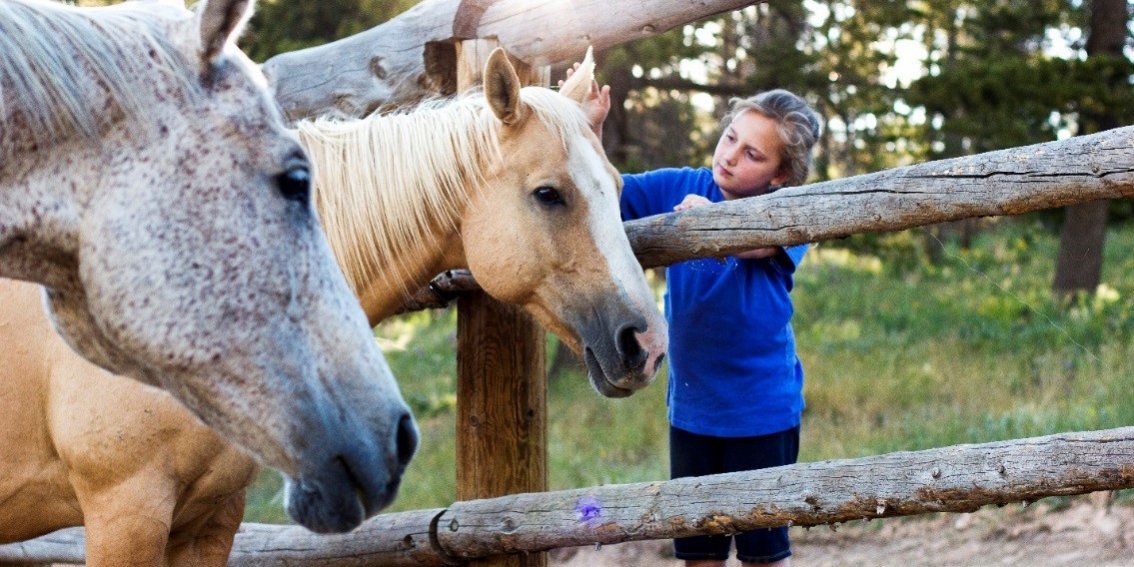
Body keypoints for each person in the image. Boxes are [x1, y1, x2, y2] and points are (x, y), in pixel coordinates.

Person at [576, 73, 821, 567]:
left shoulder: (790, 209)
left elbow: (757, 242)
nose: (730, 155)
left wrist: (706, 221)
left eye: (753, 154)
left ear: (780, 176)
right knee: (699, 553)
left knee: (763, 556)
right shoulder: (681, 185)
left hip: (761, 416)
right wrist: (590, 133)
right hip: (692, 413)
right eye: (731, 137)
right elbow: (603, 194)